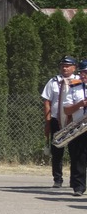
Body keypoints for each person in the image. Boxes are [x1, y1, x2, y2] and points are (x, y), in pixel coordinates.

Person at [43, 56, 78, 188]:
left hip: (74, 121)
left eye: (68, 66)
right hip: (56, 121)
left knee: (75, 152)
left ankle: (75, 180)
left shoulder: (78, 81)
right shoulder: (53, 81)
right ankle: (57, 179)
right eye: (63, 65)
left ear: (74, 67)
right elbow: (47, 101)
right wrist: (47, 121)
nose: (65, 68)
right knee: (57, 150)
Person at [61, 59, 87, 196]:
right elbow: (67, 110)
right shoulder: (74, 88)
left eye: (86, 72)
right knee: (78, 157)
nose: (83, 75)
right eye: (82, 72)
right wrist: (80, 104)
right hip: (80, 126)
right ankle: (79, 187)